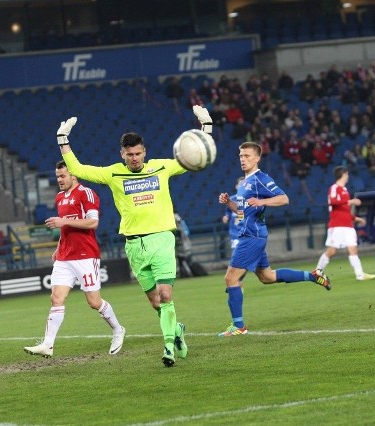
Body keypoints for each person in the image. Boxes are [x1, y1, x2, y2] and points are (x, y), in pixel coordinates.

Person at [53, 106, 212, 367]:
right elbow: (78, 168)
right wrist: (63, 139)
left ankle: (169, 348)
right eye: (130, 155)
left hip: (161, 238)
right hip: (134, 245)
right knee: (154, 301)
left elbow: (197, 154)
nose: (135, 158)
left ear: (145, 152)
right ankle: (176, 329)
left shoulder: (162, 167)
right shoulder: (113, 173)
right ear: (122, 155)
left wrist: (207, 125)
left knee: (165, 295)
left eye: (138, 153)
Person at [217, 142, 331, 337]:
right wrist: (229, 203)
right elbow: (243, 211)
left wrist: (262, 201)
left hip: (252, 236)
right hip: (253, 233)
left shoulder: (261, 179)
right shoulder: (244, 183)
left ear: (257, 158)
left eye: (247, 156)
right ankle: (313, 276)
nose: (242, 159)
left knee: (230, 278)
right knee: (267, 277)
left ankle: (239, 326)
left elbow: (283, 198)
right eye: (241, 156)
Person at [23, 161, 126, 358]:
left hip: (85, 255)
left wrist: (63, 221)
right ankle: (48, 344)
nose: (59, 180)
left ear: (73, 175)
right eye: (57, 176)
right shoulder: (60, 197)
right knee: (56, 298)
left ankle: (118, 329)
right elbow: (66, 227)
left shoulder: (86, 193)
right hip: (64, 256)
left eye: (62, 176)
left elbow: (93, 222)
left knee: (94, 302)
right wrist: (58, 246)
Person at [315, 166, 375, 281]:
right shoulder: (334, 188)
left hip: (347, 225)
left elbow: (344, 209)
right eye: (347, 174)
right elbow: (333, 202)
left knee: (353, 249)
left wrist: (355, 218)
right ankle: (318, 271)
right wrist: (351, 201)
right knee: (331, 251)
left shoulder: (344, 190)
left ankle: (360, 275)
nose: (348, 176)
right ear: (343, 174)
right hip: (337, 225)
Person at [222, 177, 246, 287]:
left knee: (244, 258)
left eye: (243, 184)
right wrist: (226, 217)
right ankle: (236, 280)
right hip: (234, 234)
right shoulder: (231, 199)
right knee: (236, 256)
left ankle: (238, 279)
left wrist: (240, 217)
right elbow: (228, 211)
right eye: (239, 184)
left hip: (246, 234)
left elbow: (246, 213)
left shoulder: (248, 199)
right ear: (236, 186)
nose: (241, 186)